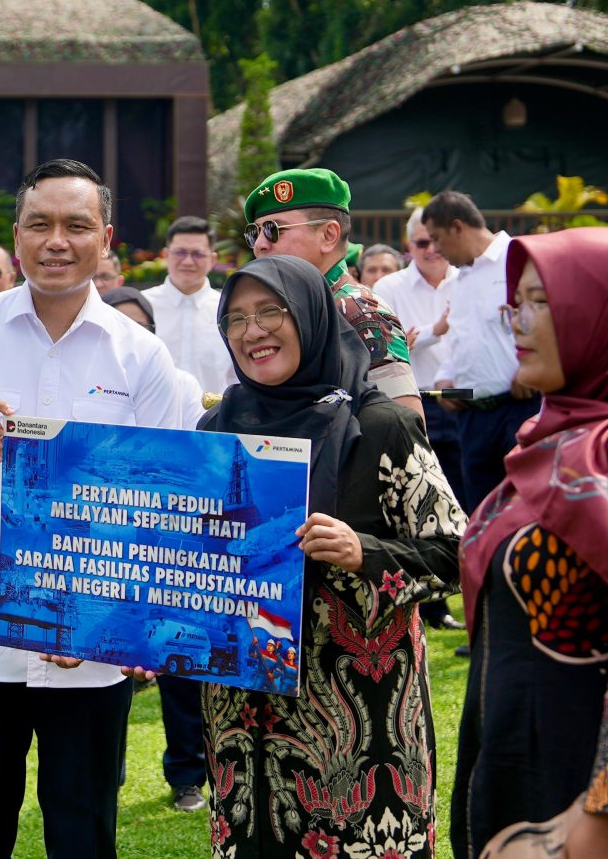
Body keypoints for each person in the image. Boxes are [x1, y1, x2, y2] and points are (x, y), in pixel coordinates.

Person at [0, 159, 184, 859]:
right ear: (16, 237)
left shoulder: (141, 356)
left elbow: (171, 504)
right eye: (39, 224)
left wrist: (128, 622)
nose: (56, 241)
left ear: (105, 239)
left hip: (92, 645)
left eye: (76, 226)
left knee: (84, 833)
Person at [186, 255, 465, 858]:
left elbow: (458, 552)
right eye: (235, 318)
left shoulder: (380, 425)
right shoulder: (215, 431)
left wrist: (361, 551)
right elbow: (190, 562)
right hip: (245, 728)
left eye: (271, 311)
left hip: (361, 733)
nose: (252, 331)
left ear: (312, 316)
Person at [451, 228, 608, 859]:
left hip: (600, 816)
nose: (517, 322)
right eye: (514, 304)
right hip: (526, 774)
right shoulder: (554, 441)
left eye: (540, 303)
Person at [99, 284, 209, 812]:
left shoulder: (183, 384)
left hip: (172, 542)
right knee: (106, 663)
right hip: (105, 542)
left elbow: (193, 461)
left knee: (178, 665)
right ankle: (106, 773)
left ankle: (187, 775)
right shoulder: (89, 383)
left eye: (141, 327)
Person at [245, 168, 422, 418]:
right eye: (255, 232)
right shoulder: (289, 308)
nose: (261, 244)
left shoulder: (361, 313)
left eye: (274, 230)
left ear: (328, 235)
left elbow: (405, 429)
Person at [373, 209, 467, 631]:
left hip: (462, 403)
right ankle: (428, 605)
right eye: (421, 243)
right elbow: (396, 343)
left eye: (435, 241)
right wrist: (437, 329)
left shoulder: (464, 279)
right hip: (412, 403)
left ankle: (462, 596)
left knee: (463, 503)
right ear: (408, 246)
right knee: (419, 505)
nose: (431, 250)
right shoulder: (387, 287)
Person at [424, 192, 541, 520]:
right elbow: (463, 339)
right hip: (472, 417)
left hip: (520, 408)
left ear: (457, 227)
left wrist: (530, 366)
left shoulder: (517, 258)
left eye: (436, 238)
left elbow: (554, 322)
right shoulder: (460, 278)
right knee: (482, 514)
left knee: (526, 506)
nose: (434, 250)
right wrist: (445, 377)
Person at [147, 215, 234, 396]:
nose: (187, 261)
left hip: (213, 420)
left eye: (197, 254)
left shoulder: (229, 309)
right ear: (165, 255)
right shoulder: (143, 305)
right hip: (150, 419)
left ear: (213, 259)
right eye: (179, 252)